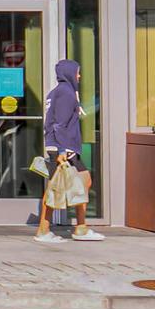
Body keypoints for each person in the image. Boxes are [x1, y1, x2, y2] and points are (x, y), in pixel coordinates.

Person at [36, 59, 102, 243]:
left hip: (60, 146)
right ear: (69, 73)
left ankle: (80, 227)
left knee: (80, 182)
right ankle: (44, 229)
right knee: (57, 187)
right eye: (77, 72)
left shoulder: (58, 92)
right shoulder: (66, 93)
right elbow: (60, 124)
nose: (79, 76)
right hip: (64, 148)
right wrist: (62, 150)